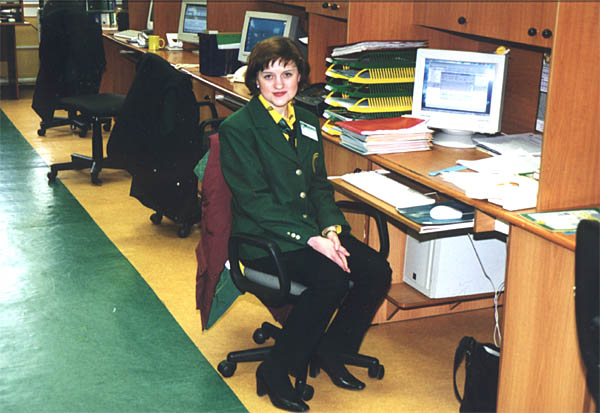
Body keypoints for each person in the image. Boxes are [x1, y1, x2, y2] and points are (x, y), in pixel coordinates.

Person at [219, 37, 392, 412]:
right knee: (331, 279)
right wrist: (313, 238)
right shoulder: (239, 127)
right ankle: (275, 371)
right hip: (265, 239)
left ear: (300, 78)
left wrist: (331, 229)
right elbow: (255, 201)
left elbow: (317, 186)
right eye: (269, 75)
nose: (279, 84)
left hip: (312, 232)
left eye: (288, 73)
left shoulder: (310, 122)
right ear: (256, 82)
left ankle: (331, 350)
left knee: (376, 270)